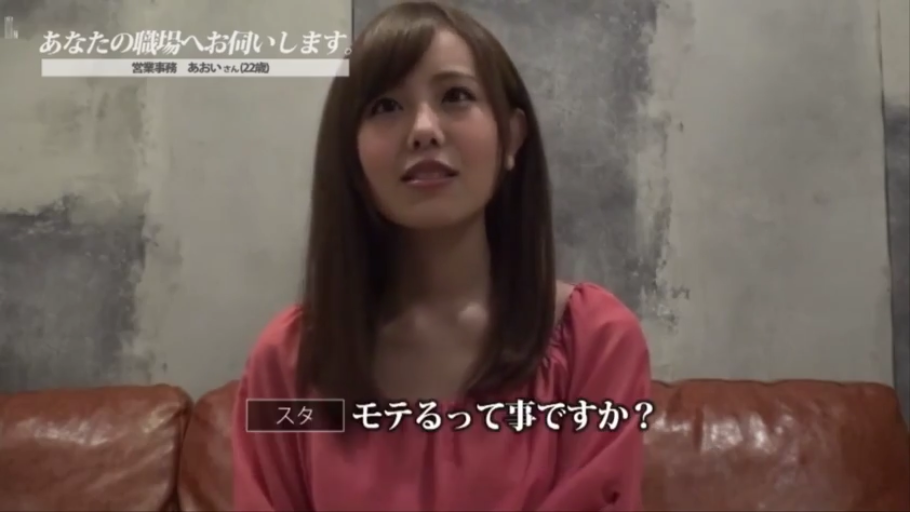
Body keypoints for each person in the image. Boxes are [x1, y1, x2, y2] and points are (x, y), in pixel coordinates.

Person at [231, 1, 652, 510]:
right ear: (351, 154)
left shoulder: (596, 342)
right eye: (386, 106)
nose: (424, 129)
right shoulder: (286, 363)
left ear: (511, 136)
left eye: (456, 96)